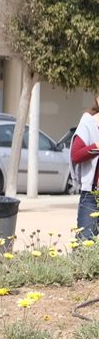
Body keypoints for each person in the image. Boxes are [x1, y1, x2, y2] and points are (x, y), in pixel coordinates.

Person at [75, 97, 99, 241]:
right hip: (92, 196)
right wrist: (97, 146)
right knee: (84, 244)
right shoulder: (89, 122)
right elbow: (76, 154)